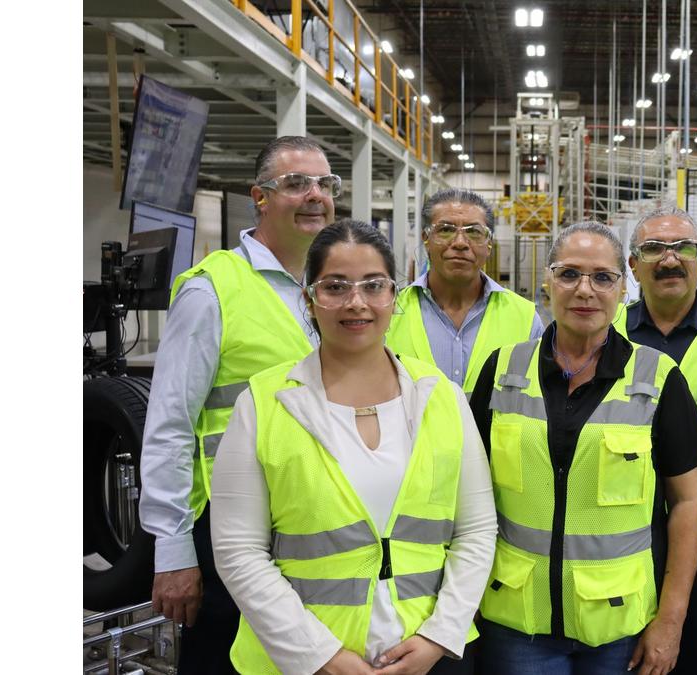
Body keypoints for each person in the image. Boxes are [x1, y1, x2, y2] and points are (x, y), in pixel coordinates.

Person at [210, 219, 496, 674]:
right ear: (309, 299)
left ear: (394, 297)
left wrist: (439, 636)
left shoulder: (441, 396)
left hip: (429, 658)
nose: (356, 302)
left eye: (373, 285)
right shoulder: (264, 404)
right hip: (302, 663)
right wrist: (320, 656)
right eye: (335, 286)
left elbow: (477, 530)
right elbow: (239, 551)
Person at [468, 221, 697, 675]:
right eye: (569, 274)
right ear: (547, 281)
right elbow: (469, 497)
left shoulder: (658, 379)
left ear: (623, 288)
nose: (585, 290)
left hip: (618, 626)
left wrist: (671, 621)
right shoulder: (502, 371)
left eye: (602, 277)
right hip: (516, 620)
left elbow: (689, 503)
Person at [139, 136, 336, 673]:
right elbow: (170, 426)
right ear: (260, 197)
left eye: (325, 183)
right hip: (230, 528)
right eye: (296, 183)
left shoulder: (334, 289)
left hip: (317, 519)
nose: (315, 195)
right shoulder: (213, 291)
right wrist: (173, 550)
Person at [611, 206, 697, 675]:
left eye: (683, 248)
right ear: (633, 266)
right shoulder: (606, 331)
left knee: (686, 655)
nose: (669, 260)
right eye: (653, 249)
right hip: (616, 531)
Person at [386, 189, 544, 395]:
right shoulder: (389, 313)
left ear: (489, 244)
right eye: (445, 229)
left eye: (474, 232)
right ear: (426, 239)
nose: (460, 243)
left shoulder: (525, 319)